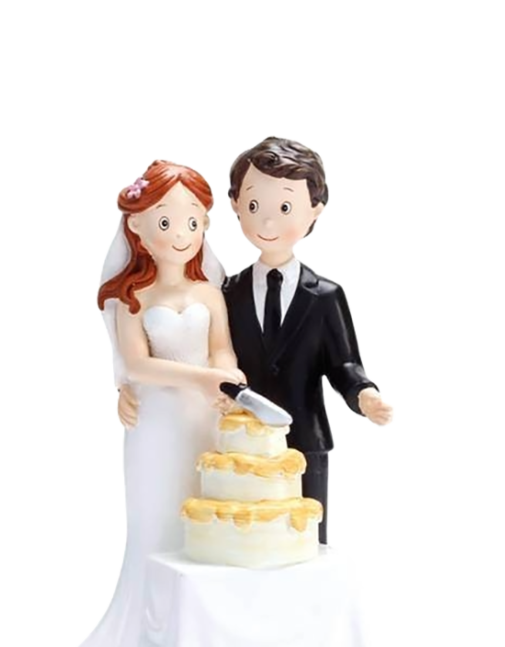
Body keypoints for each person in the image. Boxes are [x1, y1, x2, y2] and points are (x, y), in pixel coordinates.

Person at [119, 137, 394, 544]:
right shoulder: (226, 291)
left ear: (315, 209)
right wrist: (128, 386)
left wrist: (364, 394)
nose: (267, 223)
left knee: (306, 540)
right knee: (242, 540)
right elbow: (205, 350)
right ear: (234, 205)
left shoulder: (325, 297)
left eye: (284, 208)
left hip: (305, 438)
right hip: (235, 438)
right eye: (253, 206)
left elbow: (344, 364)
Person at [62, 160, 244, 647]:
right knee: (157, 526)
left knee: (205, 526)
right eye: (165, 222)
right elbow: (139, 365)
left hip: (204, 422)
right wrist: (202, 377)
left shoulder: (209, 293)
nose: (180, 234)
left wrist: (227, 375)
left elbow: (221, 347)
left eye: (191, 221)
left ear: (205, 225)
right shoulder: (133, 299)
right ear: (137, 227)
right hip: (157, 427)